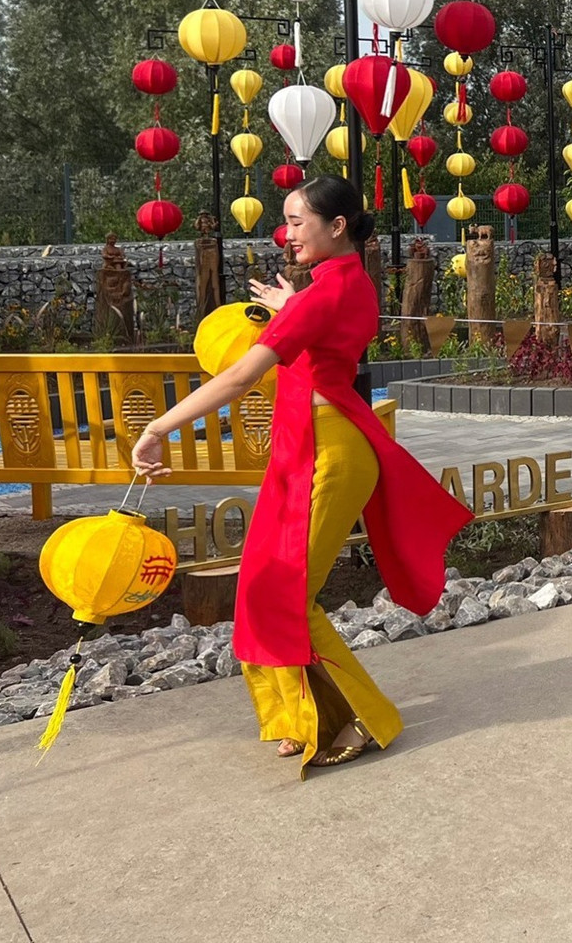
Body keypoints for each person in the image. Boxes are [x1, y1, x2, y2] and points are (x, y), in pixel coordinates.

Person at [132, 177, 472, 770]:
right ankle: (300, 715)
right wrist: (293, 306)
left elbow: (240, 378)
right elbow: (330, 325)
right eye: (286, 222)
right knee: (261, 586)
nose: (285, 235)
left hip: (329, 453)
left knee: (285, 593)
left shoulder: (322, 295)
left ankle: (357, 718)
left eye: (296, 222)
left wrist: (159, 427)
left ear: (336, 226)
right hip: (306, 447)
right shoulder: (346, 283)